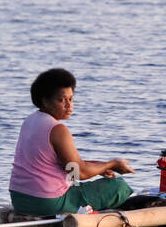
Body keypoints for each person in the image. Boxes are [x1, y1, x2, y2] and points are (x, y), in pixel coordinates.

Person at [9, 68, 134, 215]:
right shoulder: (58, 129)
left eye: (71, 98)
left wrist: (100, 167)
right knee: (117, 186)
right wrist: (112, 164)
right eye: (61, 100)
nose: (69, 105)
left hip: (20, 200)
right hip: (47, 203)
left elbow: (65, 163)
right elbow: (77, 172)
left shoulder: (30, 120)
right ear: (45, 101)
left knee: (83, 183)